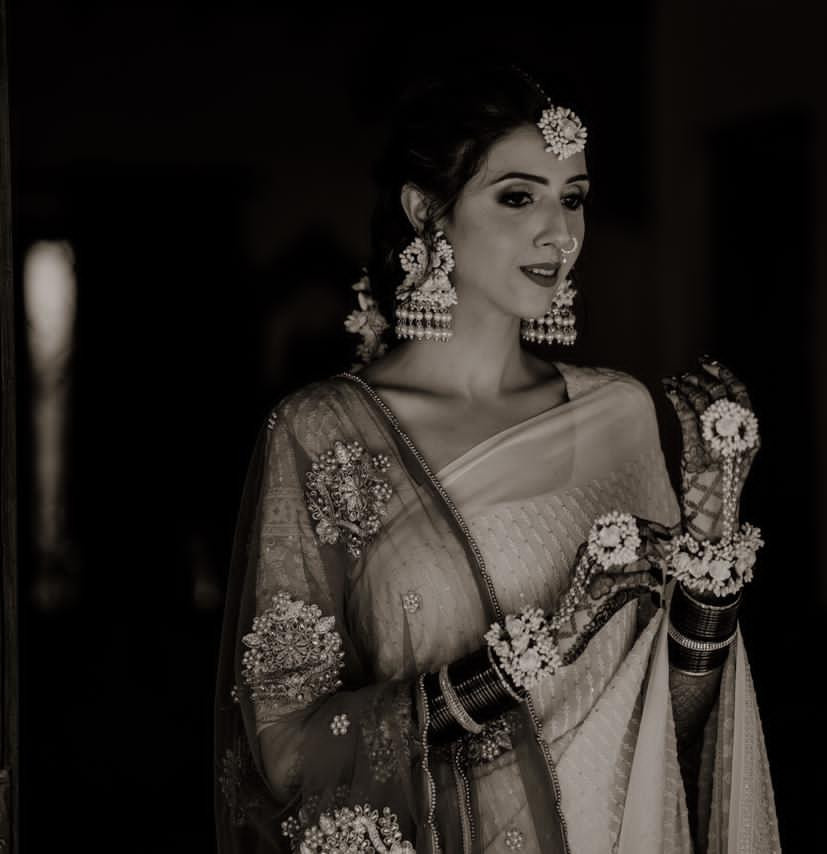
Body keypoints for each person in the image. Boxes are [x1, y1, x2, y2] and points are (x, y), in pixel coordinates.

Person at [214, 64, 779, 854]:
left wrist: (709, 576)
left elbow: (667, 732)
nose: (561, 233)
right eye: (519, 197)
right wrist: (518, 662)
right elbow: (286, 755)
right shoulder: (323, 435)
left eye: (573, 197)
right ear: (426, 211)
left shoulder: (619, 416)